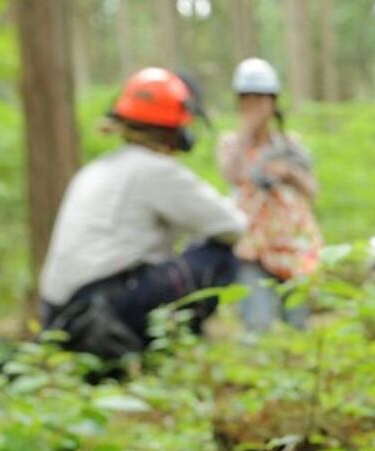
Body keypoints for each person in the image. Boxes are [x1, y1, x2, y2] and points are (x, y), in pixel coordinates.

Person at [39, 67, 246, 360]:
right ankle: (162, 349)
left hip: (59, 315)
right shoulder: (157, 170)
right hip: (100, 313)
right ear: (179, 129)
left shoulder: (97, 168)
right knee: (219, 256)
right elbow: (233, 227)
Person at [218, 58, 323, 332]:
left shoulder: (290, 144)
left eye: (261, 98)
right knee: (257, 323)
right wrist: (247, 131)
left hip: (294, 246)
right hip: (252, 247)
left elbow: (313, 191)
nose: (255, 106)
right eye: (248, 98)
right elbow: (231, 175)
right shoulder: (231, 143)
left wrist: (289, 174)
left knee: (298, 323)